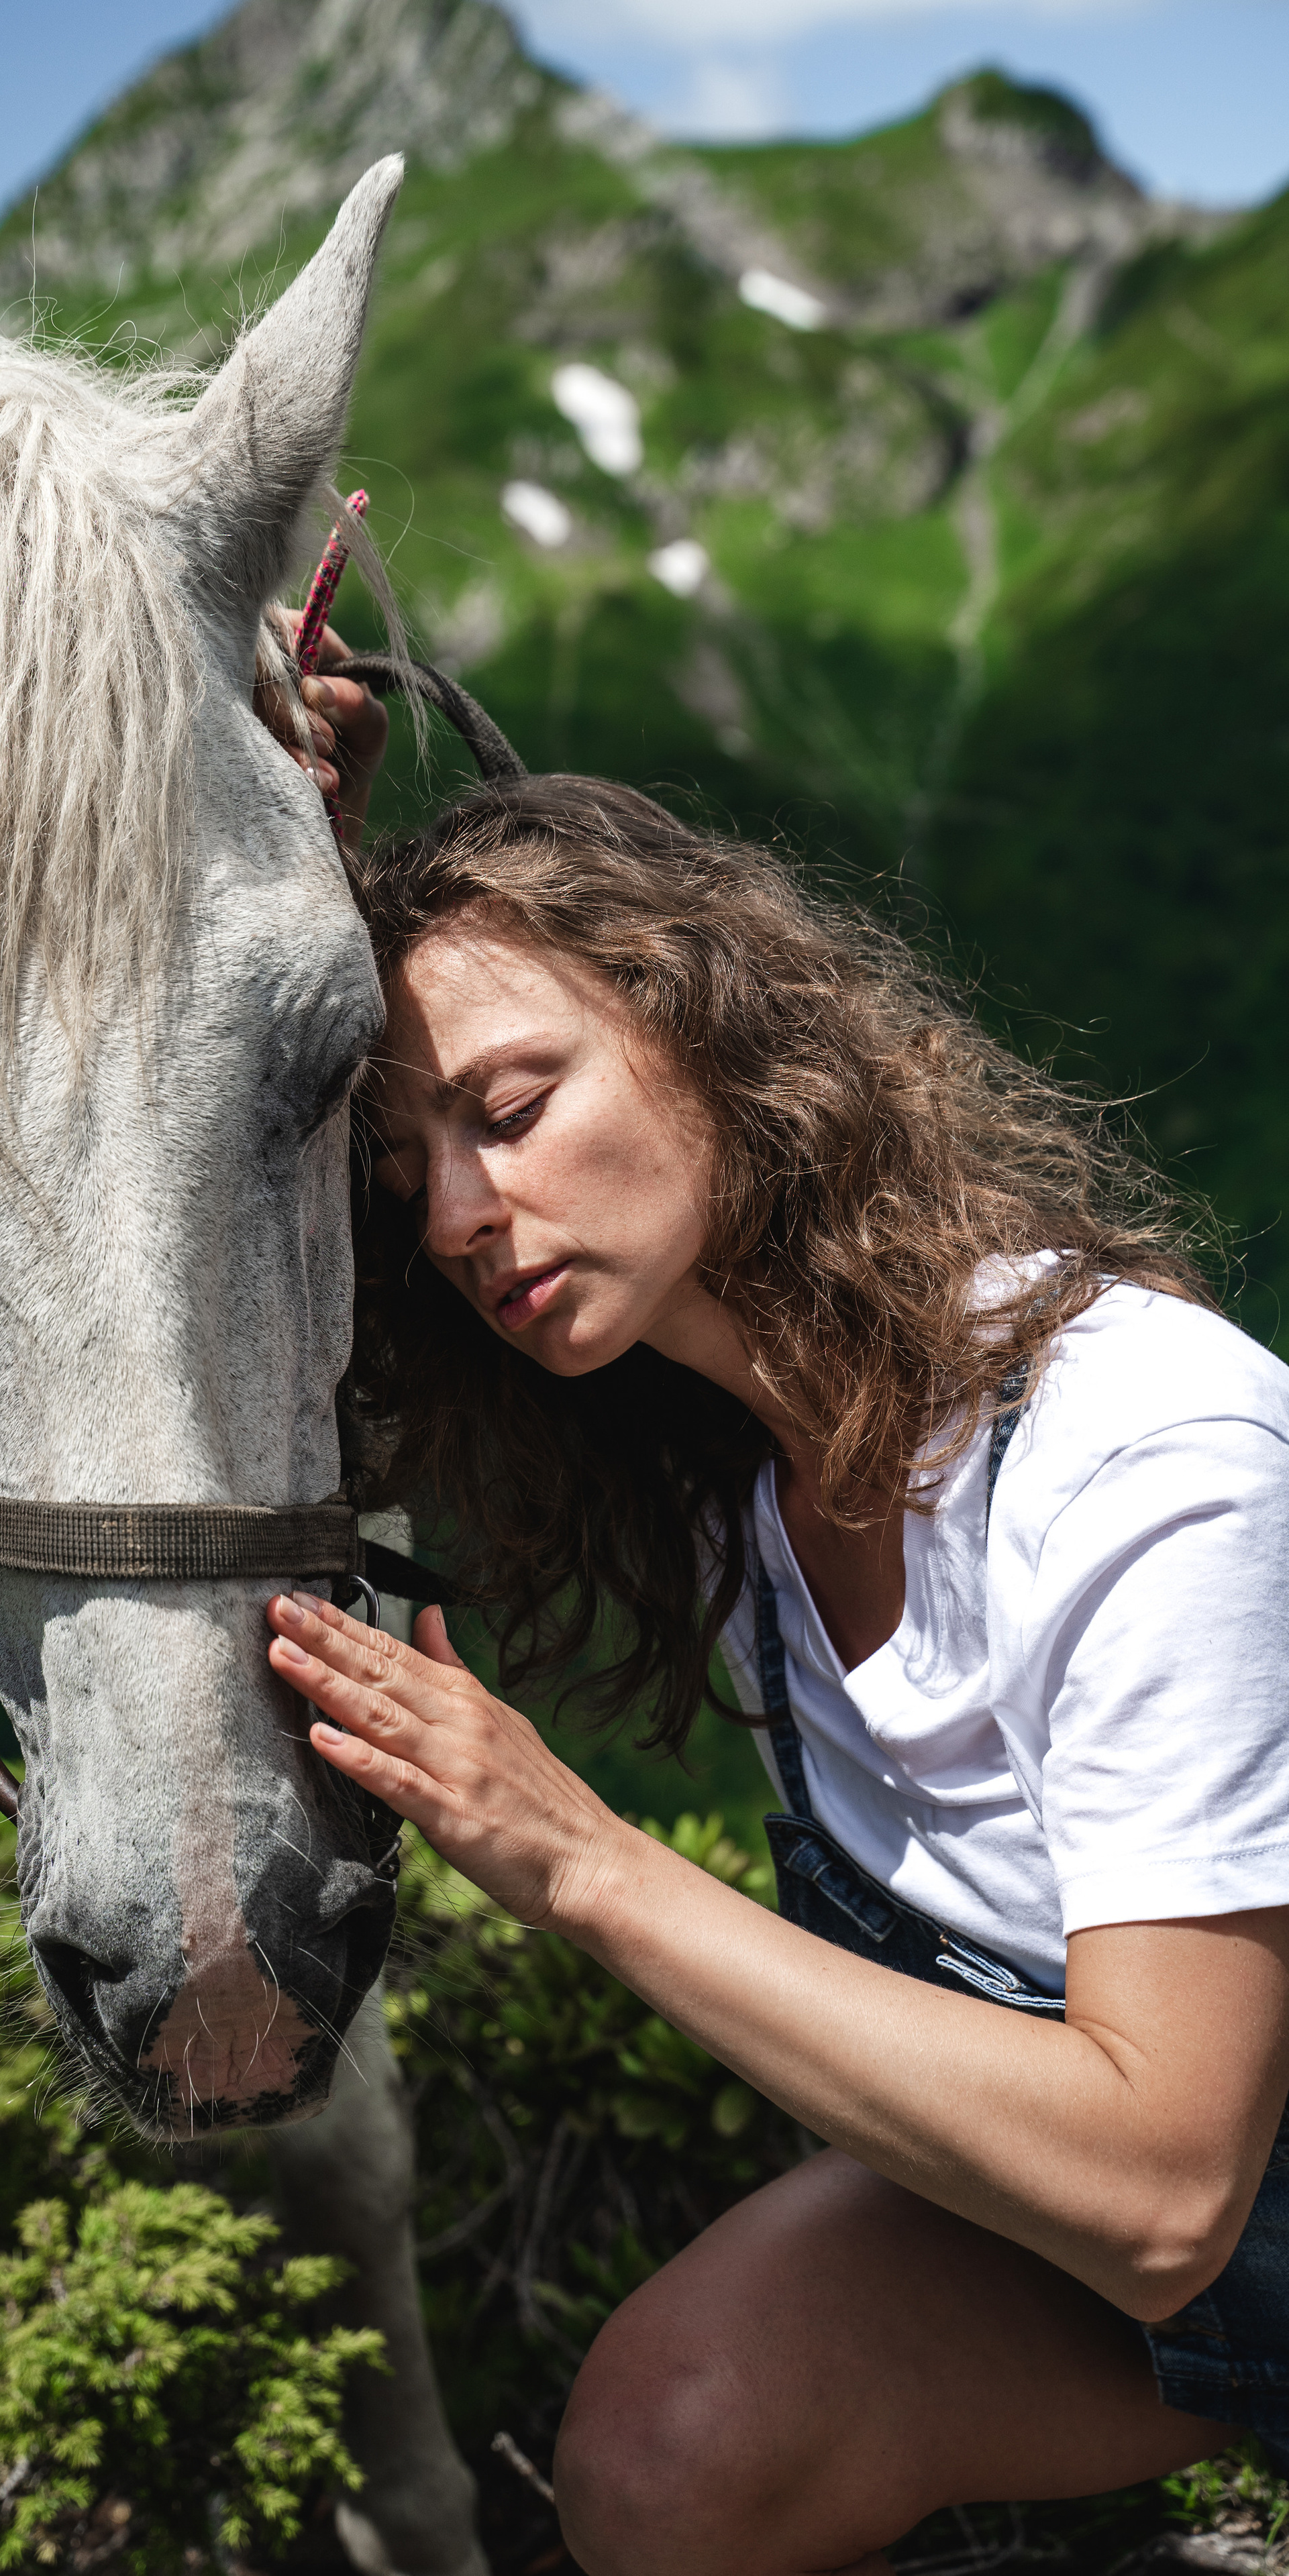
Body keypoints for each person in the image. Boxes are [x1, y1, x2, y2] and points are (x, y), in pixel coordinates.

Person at [250, 755, 1289, 2576]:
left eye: (512, 1108)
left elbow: (1166, 2189)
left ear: (705, 1023)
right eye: (412, 1174)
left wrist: (581, 1862)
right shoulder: (740, 1481)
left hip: (1180, 2217)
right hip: (1162, 2286)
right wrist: (249, 774)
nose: (458, 1214)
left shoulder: (1148, 1459)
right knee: (671, 2452)